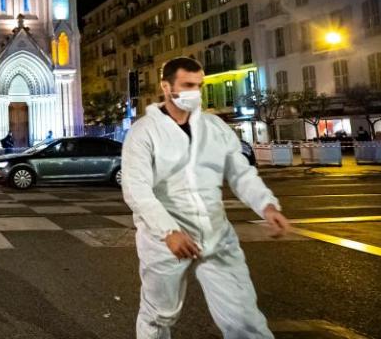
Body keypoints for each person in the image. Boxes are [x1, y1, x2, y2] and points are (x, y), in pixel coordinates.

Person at [122, 57, 290, 339]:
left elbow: (240, 173)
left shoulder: (215, 127)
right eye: (188, 85)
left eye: (199, 86)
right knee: (158, 317)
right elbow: (136, 189)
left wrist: (267, 205)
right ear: (166, 86)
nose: (195, 93)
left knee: (244, 318)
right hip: (165, 243)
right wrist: (169, 231)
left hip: (217, 237)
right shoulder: (144, 132)